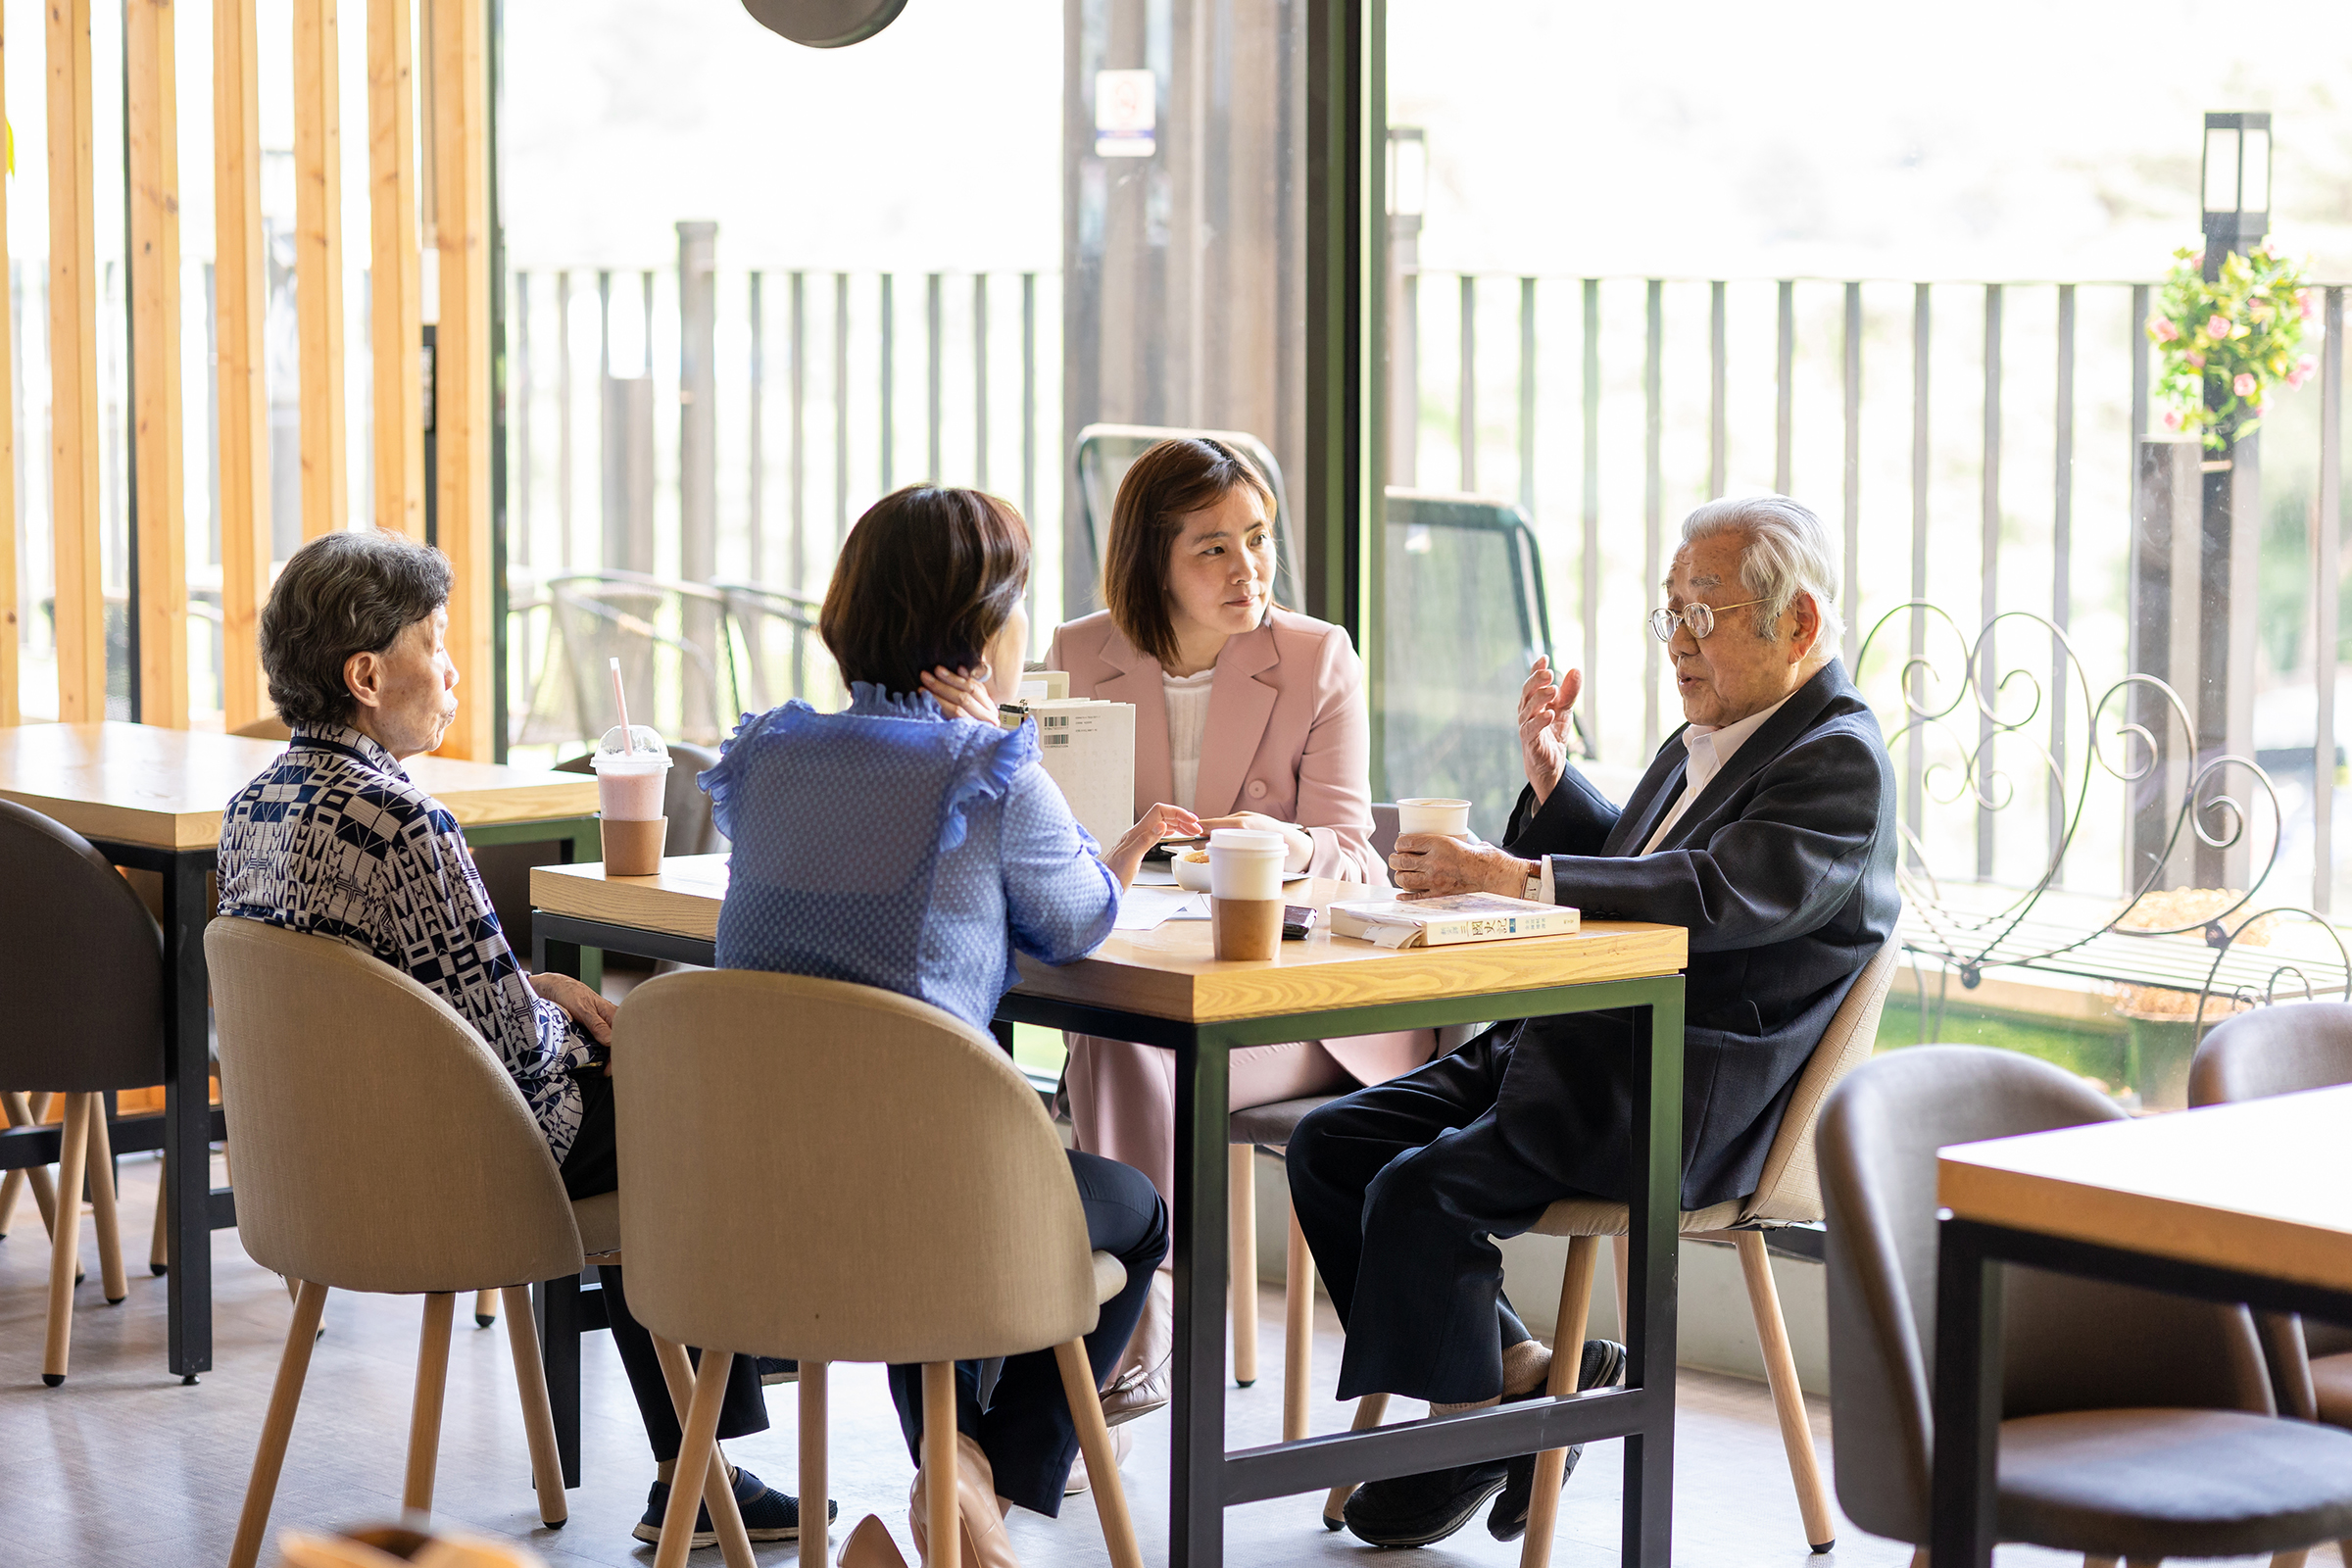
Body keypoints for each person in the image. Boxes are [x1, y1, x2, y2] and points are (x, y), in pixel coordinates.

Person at [1286, 494, 1899, 1548]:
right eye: (1669, 614)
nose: (1678, 644)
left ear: (1796, 625)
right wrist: (1555, 785)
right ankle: (1514, 1383)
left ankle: (1478, 1419)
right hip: (1575, 1048)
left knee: (1415, 1193)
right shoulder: (1707, 731)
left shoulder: (1838, 759)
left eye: (1702, 614)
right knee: (1330, 1144)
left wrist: (1514, 873)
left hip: (1669, 1091)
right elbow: (1638, 856)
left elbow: (1711, 896)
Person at [216, 529, 819, 1553]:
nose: (451, 669)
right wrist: (573, 1023)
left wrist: (524, 983)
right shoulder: (404, 821)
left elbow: (378, 990)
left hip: (324, 1173)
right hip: (457, 1169)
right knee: (671, 1101)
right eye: (435, 642)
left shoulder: (254, 808)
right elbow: (517, 1054)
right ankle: (719, 1416)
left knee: (640, 1104)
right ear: (367, 674)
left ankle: (703, 1447)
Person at [701, 484, 1175, 1568]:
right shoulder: (989, 768)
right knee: (1129, 1210)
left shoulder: (767, 754)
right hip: (925, 1207)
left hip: (750, 1199)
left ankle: (957, 1486)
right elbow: (1074, 920)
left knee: (924, 1158)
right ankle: (969, 1487)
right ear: (979, 631)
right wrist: (1090, 820)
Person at [988, 437, 1429, 1423]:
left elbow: (1359, 856)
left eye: (1258, 540)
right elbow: (1052, 832)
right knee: (1118, 1040)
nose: (1249, 570)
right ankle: (1129, 1332)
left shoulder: (1316, 658)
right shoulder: (1080, 651)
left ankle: (1134, 1333)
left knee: (1129, 1053)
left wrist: (1286, 842)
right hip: (1143, 972)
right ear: (1153, 561)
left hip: (1297, 1005)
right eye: (1213, 549)